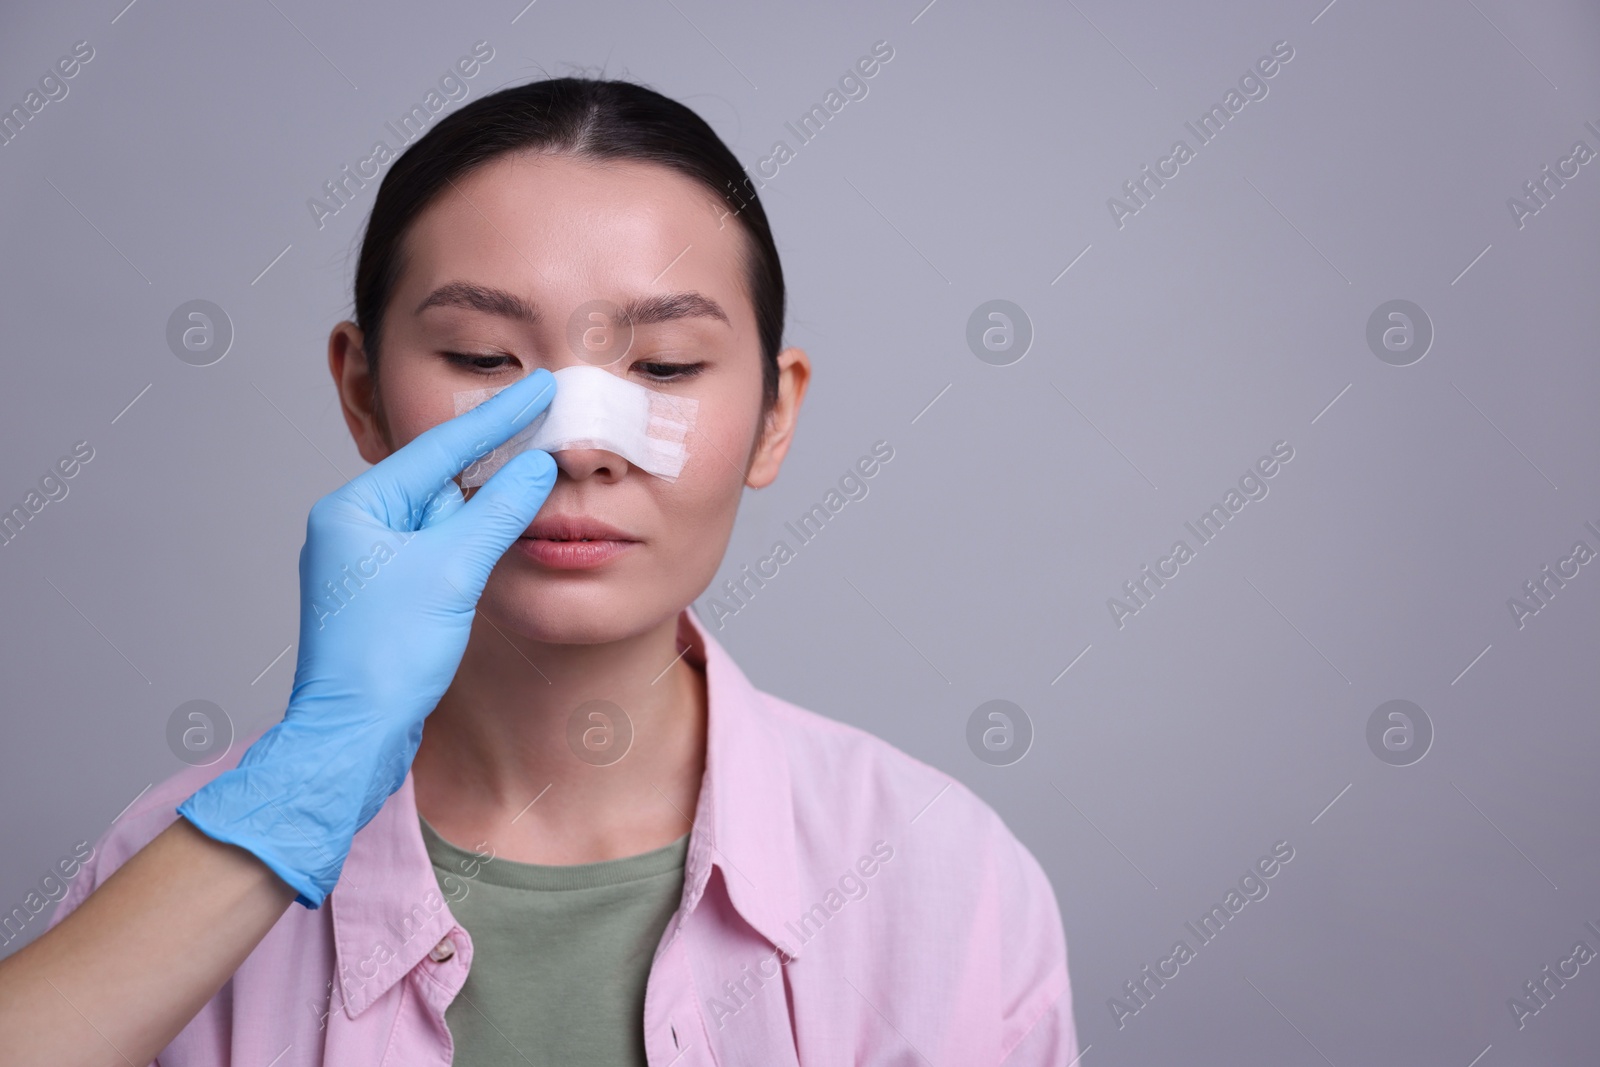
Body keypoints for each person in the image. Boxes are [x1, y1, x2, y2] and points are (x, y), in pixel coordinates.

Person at [0, 77, 1077, 1065]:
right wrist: (293, 799)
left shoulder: (942, 881)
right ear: (364, 393)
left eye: (662, 368)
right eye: (481, 359)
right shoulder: (164, 860)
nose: (577, 444)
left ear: (772, 413)